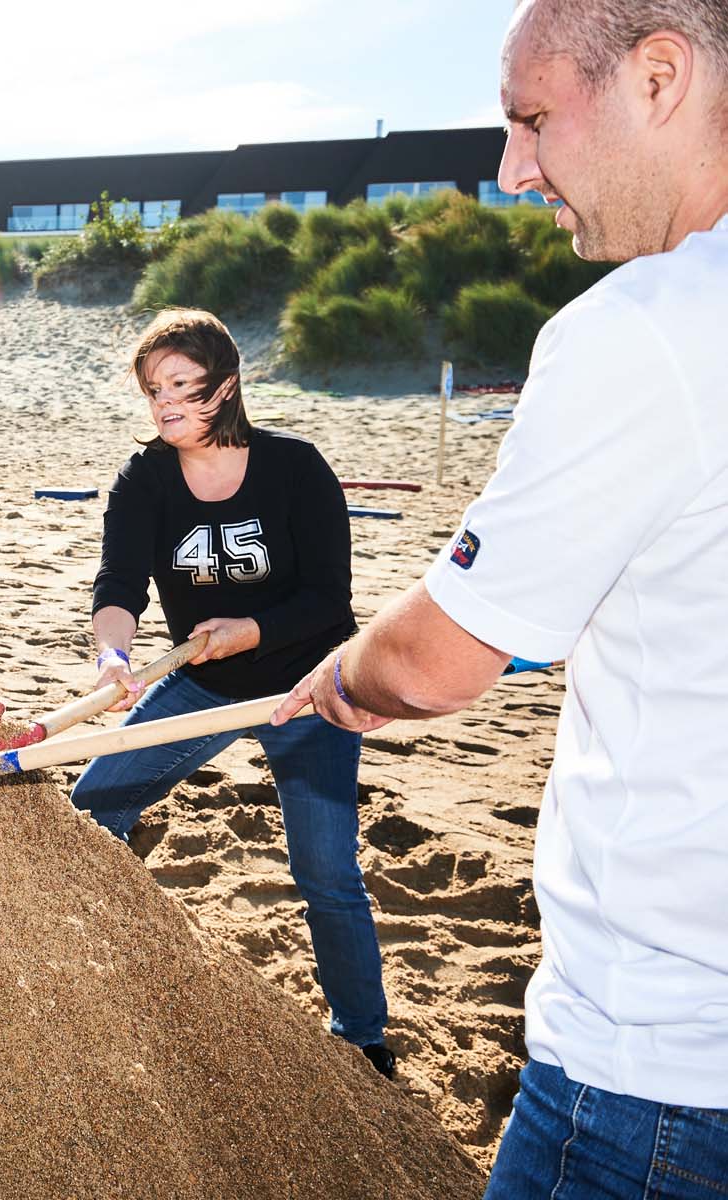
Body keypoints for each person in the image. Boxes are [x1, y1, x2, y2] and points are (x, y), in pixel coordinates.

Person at [274, 0, 728, 1191]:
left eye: (532, 122)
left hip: (663, 1076)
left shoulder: (650, 327)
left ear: (660, 78)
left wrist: (345, 673)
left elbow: (433, 662)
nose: (512, 171)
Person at [71, 309, 394, 1077]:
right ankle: (123, 975)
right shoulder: (144, 476)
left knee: (326, 874)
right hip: (202, 685)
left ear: (225, 383)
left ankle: (363, 1039)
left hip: (307, 690)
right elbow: (119, 582)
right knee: (90, 809)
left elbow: (329, 603)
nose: (166, 403)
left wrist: (248, 629)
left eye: (182, 384)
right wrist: (113, 654)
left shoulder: (293, 467)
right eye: (154, 389)